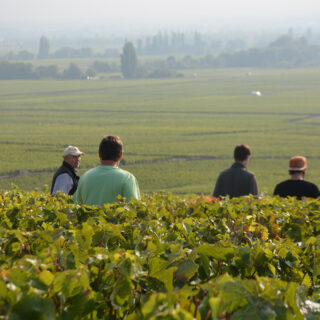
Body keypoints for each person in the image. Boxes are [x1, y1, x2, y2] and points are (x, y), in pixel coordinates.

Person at [73, 135, 140, 206]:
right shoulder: (128, 178)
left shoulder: (85, 177)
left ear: (99, 154)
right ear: (121, 156)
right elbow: (134, 209)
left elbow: (75, 206)